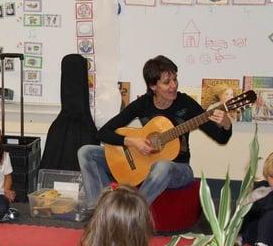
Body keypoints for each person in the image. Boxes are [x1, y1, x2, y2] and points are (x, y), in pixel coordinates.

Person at [78, 55, 233, 206]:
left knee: (162, 165)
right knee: (86, 152)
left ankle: (132, 213)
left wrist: (226, 124)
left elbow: (221, 138)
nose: (173, 85)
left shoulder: (186, 104)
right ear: (153, 86)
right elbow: (103, 133)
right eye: (167, 82)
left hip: (178, 169)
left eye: (175, 79)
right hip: (145, 164)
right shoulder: (143, 103)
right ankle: (101, 207)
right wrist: (133, 142)